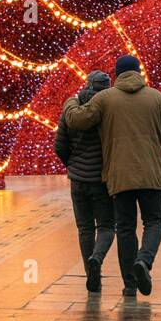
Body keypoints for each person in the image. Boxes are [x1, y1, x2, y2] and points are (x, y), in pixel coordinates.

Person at [63, 54, 161, 297]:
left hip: (118, 176)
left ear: (117, 73)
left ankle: (130, 285)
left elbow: (76, 120)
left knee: (125, 228)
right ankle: (144, 261)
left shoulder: (105, 98)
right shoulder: (156, 97)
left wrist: (71, 101)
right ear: (138, 72)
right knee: (154, 222)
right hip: (151, 174)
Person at [54, 69, 115, 293]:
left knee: (85, 228)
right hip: (102, 179)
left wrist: (72, 165)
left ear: (87, 84)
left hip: (78, 180)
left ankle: (92, 276)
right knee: (108, 226)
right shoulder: (110, 108)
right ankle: (97, 258)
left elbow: (59, 145)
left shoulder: (72, 108)